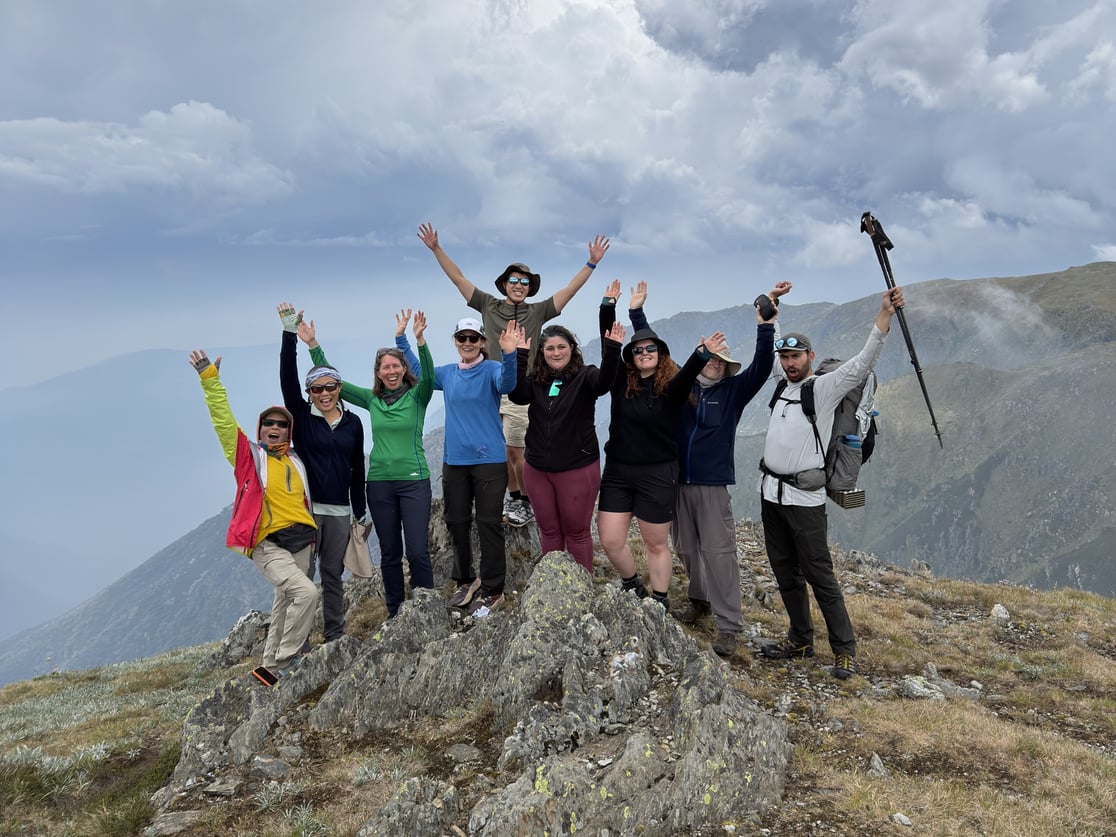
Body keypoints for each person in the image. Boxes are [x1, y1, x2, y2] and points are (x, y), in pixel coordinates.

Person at [628, 281, 790, 657]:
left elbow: (763, 364)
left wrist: (764, 325)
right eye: (711, 358)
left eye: (721, 360)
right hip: (675, 480)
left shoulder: (734, 390)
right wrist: (637, 314)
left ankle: (728, 624)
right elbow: (651, 352)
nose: (715, 364)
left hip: (712, 484)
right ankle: (699, 599)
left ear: (727, 366)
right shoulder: (678, 384)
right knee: (685, 547)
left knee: (719, 552)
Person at [417, 222, 610, 528]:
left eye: (524, 281)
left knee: (515, 448)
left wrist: (591, 263)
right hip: (488, 386)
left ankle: (523, 499)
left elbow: (569, 292)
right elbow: (458, 278)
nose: (518, 285)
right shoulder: (487, 305)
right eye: (513, 280)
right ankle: (513, 494)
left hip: (521, 387)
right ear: (504, 284)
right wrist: (436, 248)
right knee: (499, 447)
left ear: (529, 287)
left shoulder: (538, 312)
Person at [758, 287, 905, 680]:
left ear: (810, 357)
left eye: (796, 357)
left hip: (805, 500)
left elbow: (861, 364)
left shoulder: (822, 390)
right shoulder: (781, 382)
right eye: (785, 357)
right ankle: (800, 639)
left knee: (819, 574)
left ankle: (844, 649)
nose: (789, 363)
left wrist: (884, 316)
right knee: (785, 571)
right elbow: (772, 341)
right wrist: (772, 311)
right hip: (771, 495)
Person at [189, 349, 320, 686]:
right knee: (306, 594)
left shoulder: (296, 461)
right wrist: (210, 382)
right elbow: (223, 423)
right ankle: (287, 660)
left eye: (281, 424)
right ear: (260, 429)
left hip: (302, 541)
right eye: (269, 423)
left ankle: (268, 670)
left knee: (283, 602)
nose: (275, 428)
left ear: (288, 432)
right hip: (268, 544)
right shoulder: (249, 457)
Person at [299, 309, 437, 619]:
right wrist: (313, 345)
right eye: (384, 367)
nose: (390, 371)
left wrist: (419, 340)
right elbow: (332, 383)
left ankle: (426, 607)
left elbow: (428, 374)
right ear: (378, 373)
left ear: (404, 369)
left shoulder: (418, 396)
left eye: (395, 365)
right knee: (389, 554)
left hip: (414, 481)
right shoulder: (372, 400)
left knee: (416, 551)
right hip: (378, 484)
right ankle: (395, 612)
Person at [598, 284, 723, 611]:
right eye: (637, 350)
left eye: (650, 348)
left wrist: (702, 354)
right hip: (618, 471)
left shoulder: (673, 387)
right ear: (631, 357)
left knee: (655, 543)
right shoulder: (619, 382)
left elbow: (689, 375)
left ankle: (660, 601)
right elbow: (608, 341)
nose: (644, 353)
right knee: (611, 540)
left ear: (660, 352)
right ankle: (632, 584)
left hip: (657, 472)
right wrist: (607, 305)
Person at [508, 281, 626, 573]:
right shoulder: (536, 381)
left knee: (576, 532)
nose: (556, 352)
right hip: (537, 469)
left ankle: (581, 588)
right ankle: (554, 588)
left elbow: (606, 383)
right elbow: (516, 394)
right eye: (549, 348)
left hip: (576, 468)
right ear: (542, 352)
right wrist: (518, 355)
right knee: (549, 532)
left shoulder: (586, 377)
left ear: (572, 350)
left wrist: (612, 346)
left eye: (562, 347)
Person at [276, 303, 368, 642]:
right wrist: (290, 334)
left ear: (339, 389)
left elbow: (357, 468)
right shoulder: (300, 416)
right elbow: (287, 375)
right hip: (306, 511)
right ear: (308, 393)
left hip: (340, 512)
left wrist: (360, 511)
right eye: (317, 389)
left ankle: (334, 635)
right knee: (301, 576)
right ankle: (293, 643)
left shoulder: (353, 422)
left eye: (330, 387)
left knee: (333, 573)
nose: (325, 393)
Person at [435, 316, 525, 615]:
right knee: (456, 521)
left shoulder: (492, 369)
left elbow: (509, 385)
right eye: (463, 338)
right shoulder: (447, 373)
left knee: (488, 524)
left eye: (474, 338)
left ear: (483, 342)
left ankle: (493, 588)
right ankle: (465, 579)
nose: (468, 343)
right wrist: (409, 341)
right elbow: (417, 374)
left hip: (489, 460)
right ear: (456, 341)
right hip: (455, 462)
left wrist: (510, 353)